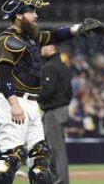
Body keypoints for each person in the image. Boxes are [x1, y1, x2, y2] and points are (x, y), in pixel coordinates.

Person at [0, 0, 104, 184]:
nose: (36, 15)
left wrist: (79, 28)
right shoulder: (7, 40)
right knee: (11, 158)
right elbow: (3, 76)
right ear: (18, 15)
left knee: (41, 158)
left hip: (32, 104)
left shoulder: (30, 37)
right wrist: (14, 104)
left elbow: (54, 36)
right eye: (31, 11)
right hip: (15, 102)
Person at [39, 45, 72, 184]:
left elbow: (47, 90)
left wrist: (33, 94)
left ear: (51, 49)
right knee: (54, 149)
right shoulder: (64, 66)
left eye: (44, 46)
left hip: (53, 111)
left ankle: (60, 181)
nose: (41, 49)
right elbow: (70, 93)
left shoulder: (50, 66)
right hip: (61, 109)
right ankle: (55, 179)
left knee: (56, 150)